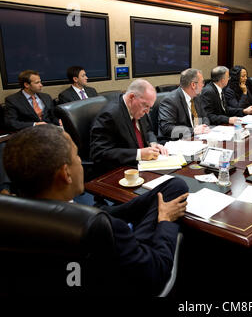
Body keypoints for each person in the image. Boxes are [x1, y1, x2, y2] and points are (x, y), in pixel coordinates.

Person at [3, 124, 189, 295]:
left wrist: (125, 209)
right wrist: (165, 220)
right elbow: (156, 274)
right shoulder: (103, 227)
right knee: (173, 196)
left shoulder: (11, 215)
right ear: (66, 173)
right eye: (77, 156)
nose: (80, 162)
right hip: (132, 268)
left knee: (174, 186)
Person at [90, 79, 168, 174]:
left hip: (145, 166)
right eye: (145, 106)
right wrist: (139, 154)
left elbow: (148, 130)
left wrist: (153, 143)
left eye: (149, 107)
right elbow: (99, 154)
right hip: (122, 172)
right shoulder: (109, 115)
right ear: (132, 97)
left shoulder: (138, 109)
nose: (147, 111)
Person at [158, 68, 210, 139]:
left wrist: (204, 126)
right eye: (202, 82)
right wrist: (193, 130)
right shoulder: (170, 100)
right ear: (193, 85)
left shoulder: (196, 97)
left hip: (196, 138)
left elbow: (204, 116)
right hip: (178, 142)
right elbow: (167, 128)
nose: (203, 85)